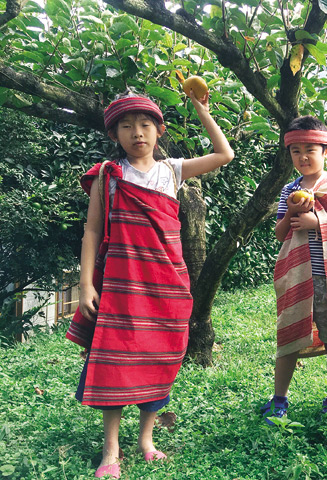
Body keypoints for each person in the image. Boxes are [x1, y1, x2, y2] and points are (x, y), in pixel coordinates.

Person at [66, 92, 234, 479]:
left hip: (167, 286)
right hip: (121, 286)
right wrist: (86, 284)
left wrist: (202, 111)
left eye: (145, 125)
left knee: (159, 359)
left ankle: (146, 440)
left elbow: (224, 155)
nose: (136, 133)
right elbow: (92, 232)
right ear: (115, 134)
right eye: (126, 126)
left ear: (159, 131)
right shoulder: (108, 175)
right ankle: (111, 449)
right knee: (115, 362)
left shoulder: (172, 171)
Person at [262, 116, 327, 425]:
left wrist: (317, 222)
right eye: (296, 151)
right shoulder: (288, 190)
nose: (303, 157)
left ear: (326, 152)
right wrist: (293, 212)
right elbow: (280, 233)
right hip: (300, 276)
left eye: (310, 149)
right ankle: (279, 398)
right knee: (290, 333)